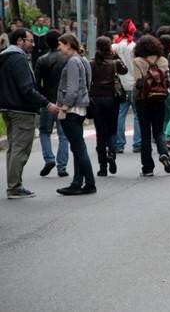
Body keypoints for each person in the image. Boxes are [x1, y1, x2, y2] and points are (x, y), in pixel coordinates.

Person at [0, 28, 59, 199]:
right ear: (19, 41)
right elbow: (26, 88)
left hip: (8, 107)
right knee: (20, 149)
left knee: (13, 148)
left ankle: (14, 184)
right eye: (29, 40)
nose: (33, 44)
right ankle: (14, 187)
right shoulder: (18, 58)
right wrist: (46, 104)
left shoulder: (5, 56)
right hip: (21, 109)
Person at [55, 34, 96, 196]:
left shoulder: (72, 62)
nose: (59, 48)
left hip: (71, 110)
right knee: (79, 147)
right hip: (81, 109)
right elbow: (87, 83)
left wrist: (64, 107)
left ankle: (89, 182)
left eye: (61, 45)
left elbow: (72, 89)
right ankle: (78, 182)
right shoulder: (83, 59)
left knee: (78, 148)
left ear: (68, 45)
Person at [133, 35, 170, 177]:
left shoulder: (138, 61)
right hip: (159, 99)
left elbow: (138, 82)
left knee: (145, 133)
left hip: (142, 99)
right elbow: (168, 80)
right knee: (159, 131)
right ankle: (164, 154)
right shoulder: (163, 60)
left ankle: (148, 167)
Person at [89, 36, 128, 176]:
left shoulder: (92, 63)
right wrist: (116, 56)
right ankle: (112, 152)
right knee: (112, 129)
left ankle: (102, 167)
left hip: (96, 98)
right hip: (112, 98)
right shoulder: (115, 62)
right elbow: (125, 70)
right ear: (109, 47)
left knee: (100, 133)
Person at [34, 29, 70, 178]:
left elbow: (36, 83)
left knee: (44, 131)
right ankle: (62, 167)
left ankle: (49, 158)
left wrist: (42, 99)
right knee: (63, 134)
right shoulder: (68, 58)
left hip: (47, 101)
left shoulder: (41, 60)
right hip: (63, 101)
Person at [113, 19, 141, 154]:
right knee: (137, 115)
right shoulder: (134, 47)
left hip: (119, 86)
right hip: (134, 84)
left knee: (120, 115)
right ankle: (137, 143)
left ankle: (119, 144)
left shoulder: (114, 47)